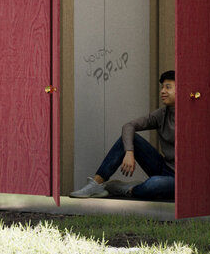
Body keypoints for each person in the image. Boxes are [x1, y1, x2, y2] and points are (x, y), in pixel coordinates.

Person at [72, 70, 178, 200]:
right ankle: (95, 184)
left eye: (168, 87)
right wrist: (129, 151)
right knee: (128, 138)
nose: (162, 91)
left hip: (180, 179)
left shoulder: (193, 116)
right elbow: (129, 126)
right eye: (162, 87)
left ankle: (129, 189)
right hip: (164, 168)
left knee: (154, 184)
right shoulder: (161, 114)